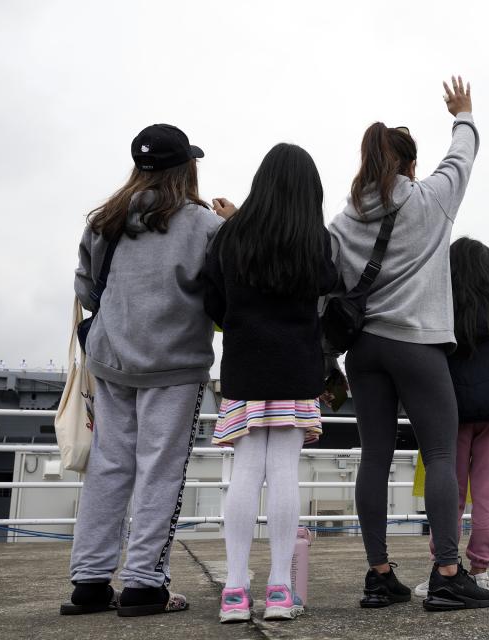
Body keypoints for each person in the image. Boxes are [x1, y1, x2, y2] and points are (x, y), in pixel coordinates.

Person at [329, 76, 489, 612]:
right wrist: (463, 112)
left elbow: (319, 273)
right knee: (441, 455)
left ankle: (379, 575)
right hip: (418, 346)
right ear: (408, 165)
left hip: (364, 350)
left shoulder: (342, 222)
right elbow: (463, 156)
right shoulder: (429, 202)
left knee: (374, 455)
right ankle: (448, 573)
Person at [62, 124, 224, 617]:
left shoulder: (104, 221)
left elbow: (87, 289)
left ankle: (89, 582)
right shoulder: (204, 225)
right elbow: (222, 299)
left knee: (109, 468)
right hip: (173, 366)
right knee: (161, 471)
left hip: (112, 360)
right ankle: (143, 584)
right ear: (186, 167)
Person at [203, 143, 337, 623]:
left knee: (245, 472)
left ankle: (235, 591)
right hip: (296, 369)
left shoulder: (230, 236)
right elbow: (328, 285)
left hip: (244, 368)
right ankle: (280, 589)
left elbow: (212, 302)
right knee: (283, 473)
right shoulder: (314, 239)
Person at [413, 237, 489, 598]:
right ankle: (480, 571)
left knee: (447, 492)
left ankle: (444, 566)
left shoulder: (440, 310)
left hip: (450, 412)